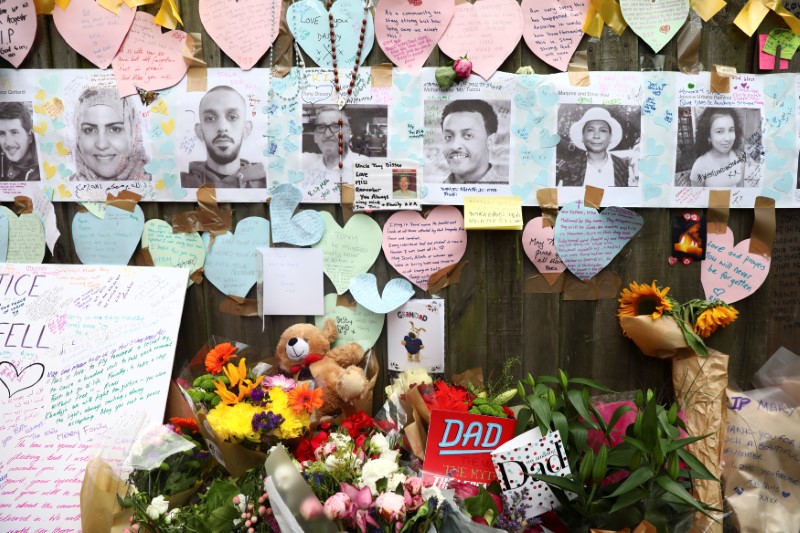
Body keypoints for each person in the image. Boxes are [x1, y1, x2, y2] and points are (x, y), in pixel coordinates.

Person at [181, 85, 266, 189]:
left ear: (246, 129)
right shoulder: (180, 184)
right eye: (210, 118)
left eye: (232, 117)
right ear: (200, 131)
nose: (222, 127)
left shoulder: (268, 185)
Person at [72, 88, 150, 182]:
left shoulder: (160, 187)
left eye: (115, 129)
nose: (102, 145)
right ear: (78, 138)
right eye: (89, 130)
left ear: (134, 134)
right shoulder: (64, 190)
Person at [557, 107, 632, 187]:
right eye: (590, 130)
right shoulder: (568, 169)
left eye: (603, 130)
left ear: (610, 137)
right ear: (582, 137)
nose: (596, 136)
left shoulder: (622, 166)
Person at [440, 99, 505, 184]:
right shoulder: (433, 191)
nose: (454, 146)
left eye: (468, 135)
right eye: (448, 137)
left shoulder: (504, 191)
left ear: (490, 141)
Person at [302, 105, 363, 180]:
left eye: (335, 126)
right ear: (315, 136)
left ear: (348, 132)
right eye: (321, 127)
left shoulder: (365, 167)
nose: (327, 134)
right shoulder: (305, 164)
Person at [688, 107, 746, 188]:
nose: (728, 138)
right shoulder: (700, 165)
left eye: (731, 130)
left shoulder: (739, 158)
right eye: (719, 131)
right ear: (708, 136)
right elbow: (697, 198)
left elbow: (741, 190)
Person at [0, 102, 39, 182]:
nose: (8, 143)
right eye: (2, 133)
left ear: (30, 137)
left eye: (14, 132)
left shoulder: (40, 173)